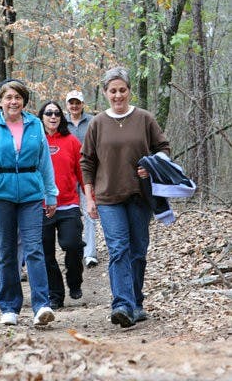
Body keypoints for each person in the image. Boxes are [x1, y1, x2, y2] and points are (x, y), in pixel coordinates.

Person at [80, 67, 170, 328]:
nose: (118, 95)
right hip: (108, 197)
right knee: (119, 249)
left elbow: (163, 148)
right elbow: (87, 161)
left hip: (140, 195)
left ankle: (136, 302)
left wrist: (152, 165)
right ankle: (121, 304)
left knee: (138, 252)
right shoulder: (97, 123)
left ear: (129, 91)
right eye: (112, 91)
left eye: (122, 90)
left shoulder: (144, 119)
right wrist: (89, 196)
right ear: (106, 93)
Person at [0, 79, 58, 326]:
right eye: (8, 97)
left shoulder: (35, 124)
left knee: (34, 249)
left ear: (24, 101)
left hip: (30, 194)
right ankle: (9, 307)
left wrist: (51, 195)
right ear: (0, 101)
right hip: (0, 194)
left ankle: (42, 305)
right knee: (6, 250)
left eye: (17, 97)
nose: (13, 102)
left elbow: (44, 163)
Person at [38, 100, 85, 310]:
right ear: (41, 117)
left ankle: (74, 280)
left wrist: (91, 196)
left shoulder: (72, 141)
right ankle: (55, 294)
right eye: (48, 113)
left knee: (72, 244)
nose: (53, 116)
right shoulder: (34, 140)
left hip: (68, 204)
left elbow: (82, 171)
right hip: (41, 206)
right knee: (46, 252)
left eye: (57, 113)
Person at [65, 90, 98, 268]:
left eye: (78, 102)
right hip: (68, 175)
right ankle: (75, 249)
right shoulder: (62, 123)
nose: (75, 106)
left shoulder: (93, 121)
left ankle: (90, 253)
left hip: (88, 174)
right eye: (71, 103)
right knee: (71, 215)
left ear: (83, 104)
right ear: (67, 105)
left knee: (89, 212)